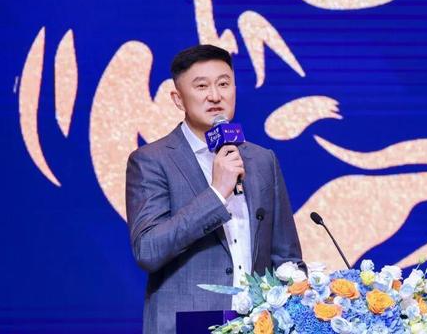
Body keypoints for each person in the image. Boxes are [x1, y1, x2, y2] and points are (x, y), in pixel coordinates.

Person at [125, 45, 304, 334]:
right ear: (178, 98)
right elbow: (148, 249)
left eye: (223, 84)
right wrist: (217, 194)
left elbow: (286, 258)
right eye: (201, 86)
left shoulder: (262, 160)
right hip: (187, 326)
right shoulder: (151, 160)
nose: (215, 96)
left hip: (259, 325)